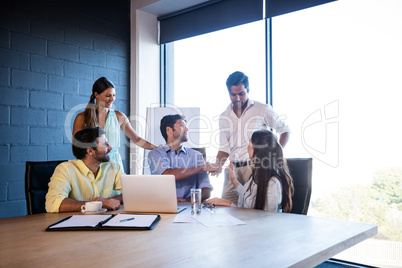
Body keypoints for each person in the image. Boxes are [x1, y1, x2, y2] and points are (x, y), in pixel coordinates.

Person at [213, 71, 291, 205]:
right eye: (233, 94)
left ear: (248, 90)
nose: (237, 98)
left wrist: (274, 155)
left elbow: (285, 130)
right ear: (228, 93)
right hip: (233, 169)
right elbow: (224, 148)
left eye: (241, 93)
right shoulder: (224, 116)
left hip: (254, 168)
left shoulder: (262, 109)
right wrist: (218, 165)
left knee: (253, 210)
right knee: (224, 209)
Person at [73, 77, 157, 172]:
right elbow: (76, 148)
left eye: (114, 95)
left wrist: (156, 147)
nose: (112, 99)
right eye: (108, 95)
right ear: (96, 94)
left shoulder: (119, 116)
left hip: (114, 166)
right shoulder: (82, 118)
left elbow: (137, 139)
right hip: (92, 166)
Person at [205, 129, 294, 212]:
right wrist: (234, 181)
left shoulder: (273, 184)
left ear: (259, 151)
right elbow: (248, 197)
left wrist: (227, 203)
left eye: (250, 144)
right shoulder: (258, 175)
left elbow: (262, 217)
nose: (247, 148)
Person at [46, 127, 122, 212]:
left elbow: (130, 193)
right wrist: (95, 205)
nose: (110, 147)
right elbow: (53, 203)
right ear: (90, 151)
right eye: (105, 144)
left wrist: (106, 201)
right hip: (76, 223)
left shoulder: (113, 167)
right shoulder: (65, 169)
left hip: (107, 220)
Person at [148, 114, 220, 202]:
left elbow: (206, 190)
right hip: (163, 207)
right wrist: (201, 167)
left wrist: (186, 201)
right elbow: (168, 175)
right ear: (169, 130)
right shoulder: (155, 154)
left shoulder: (196, 155)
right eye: (182, 125)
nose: (187, 129)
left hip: (189, 208)